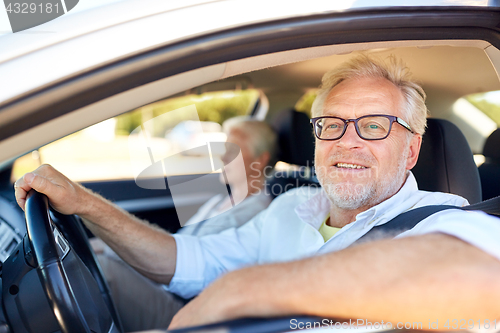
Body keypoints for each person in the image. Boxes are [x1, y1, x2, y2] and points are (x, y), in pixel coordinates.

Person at [14, 54, 500, 331]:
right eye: (332, 124)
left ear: (411, 151)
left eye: (374, 126)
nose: (347, 141)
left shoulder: (440, 220)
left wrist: (240, 290)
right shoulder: (291, 208)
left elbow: (483, 274)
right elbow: (190, 262)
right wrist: (83, 203)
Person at [92, 116, 278, 331]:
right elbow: (176, 243)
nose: (224, 156)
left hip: (183, 308)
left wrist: (108, 245)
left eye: (233, 149)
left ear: (259, 160)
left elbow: (187, 258)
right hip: (160, 281)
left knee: (102, 269)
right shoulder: (218, 201)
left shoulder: (258, 212)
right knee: (94, 259)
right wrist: (107, 244)